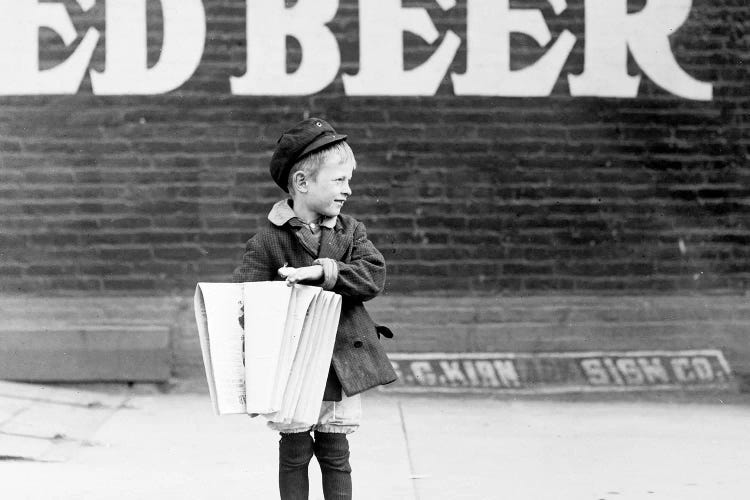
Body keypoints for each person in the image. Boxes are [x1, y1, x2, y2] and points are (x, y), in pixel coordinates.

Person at [232, 117, 397, 500]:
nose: (348, 191)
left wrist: (323, 272)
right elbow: (247, 303)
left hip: (339, 360)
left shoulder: (351, 232)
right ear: (303, 183)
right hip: (293, 363)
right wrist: (283, 290)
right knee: (294, 451)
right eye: (339, 181)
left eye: (348, 181)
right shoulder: (267, 241)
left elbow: (373, 276)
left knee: (335, 450)